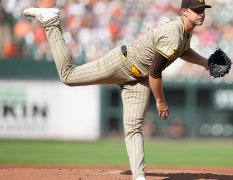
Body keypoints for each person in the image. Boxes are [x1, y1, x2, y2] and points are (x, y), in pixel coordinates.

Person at [23, 0, 211, 179]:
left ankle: (139, 177)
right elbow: (155, 73)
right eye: (197, 10)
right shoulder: (174, 32)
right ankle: (51, 22)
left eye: (202, 10)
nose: (201, 14)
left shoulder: (185, 31)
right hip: (123, 63)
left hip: (138, 79)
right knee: (68, 76)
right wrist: (160, 101)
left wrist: (205, 63)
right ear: (184, 11)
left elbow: (183, 51)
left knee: (133, 128)